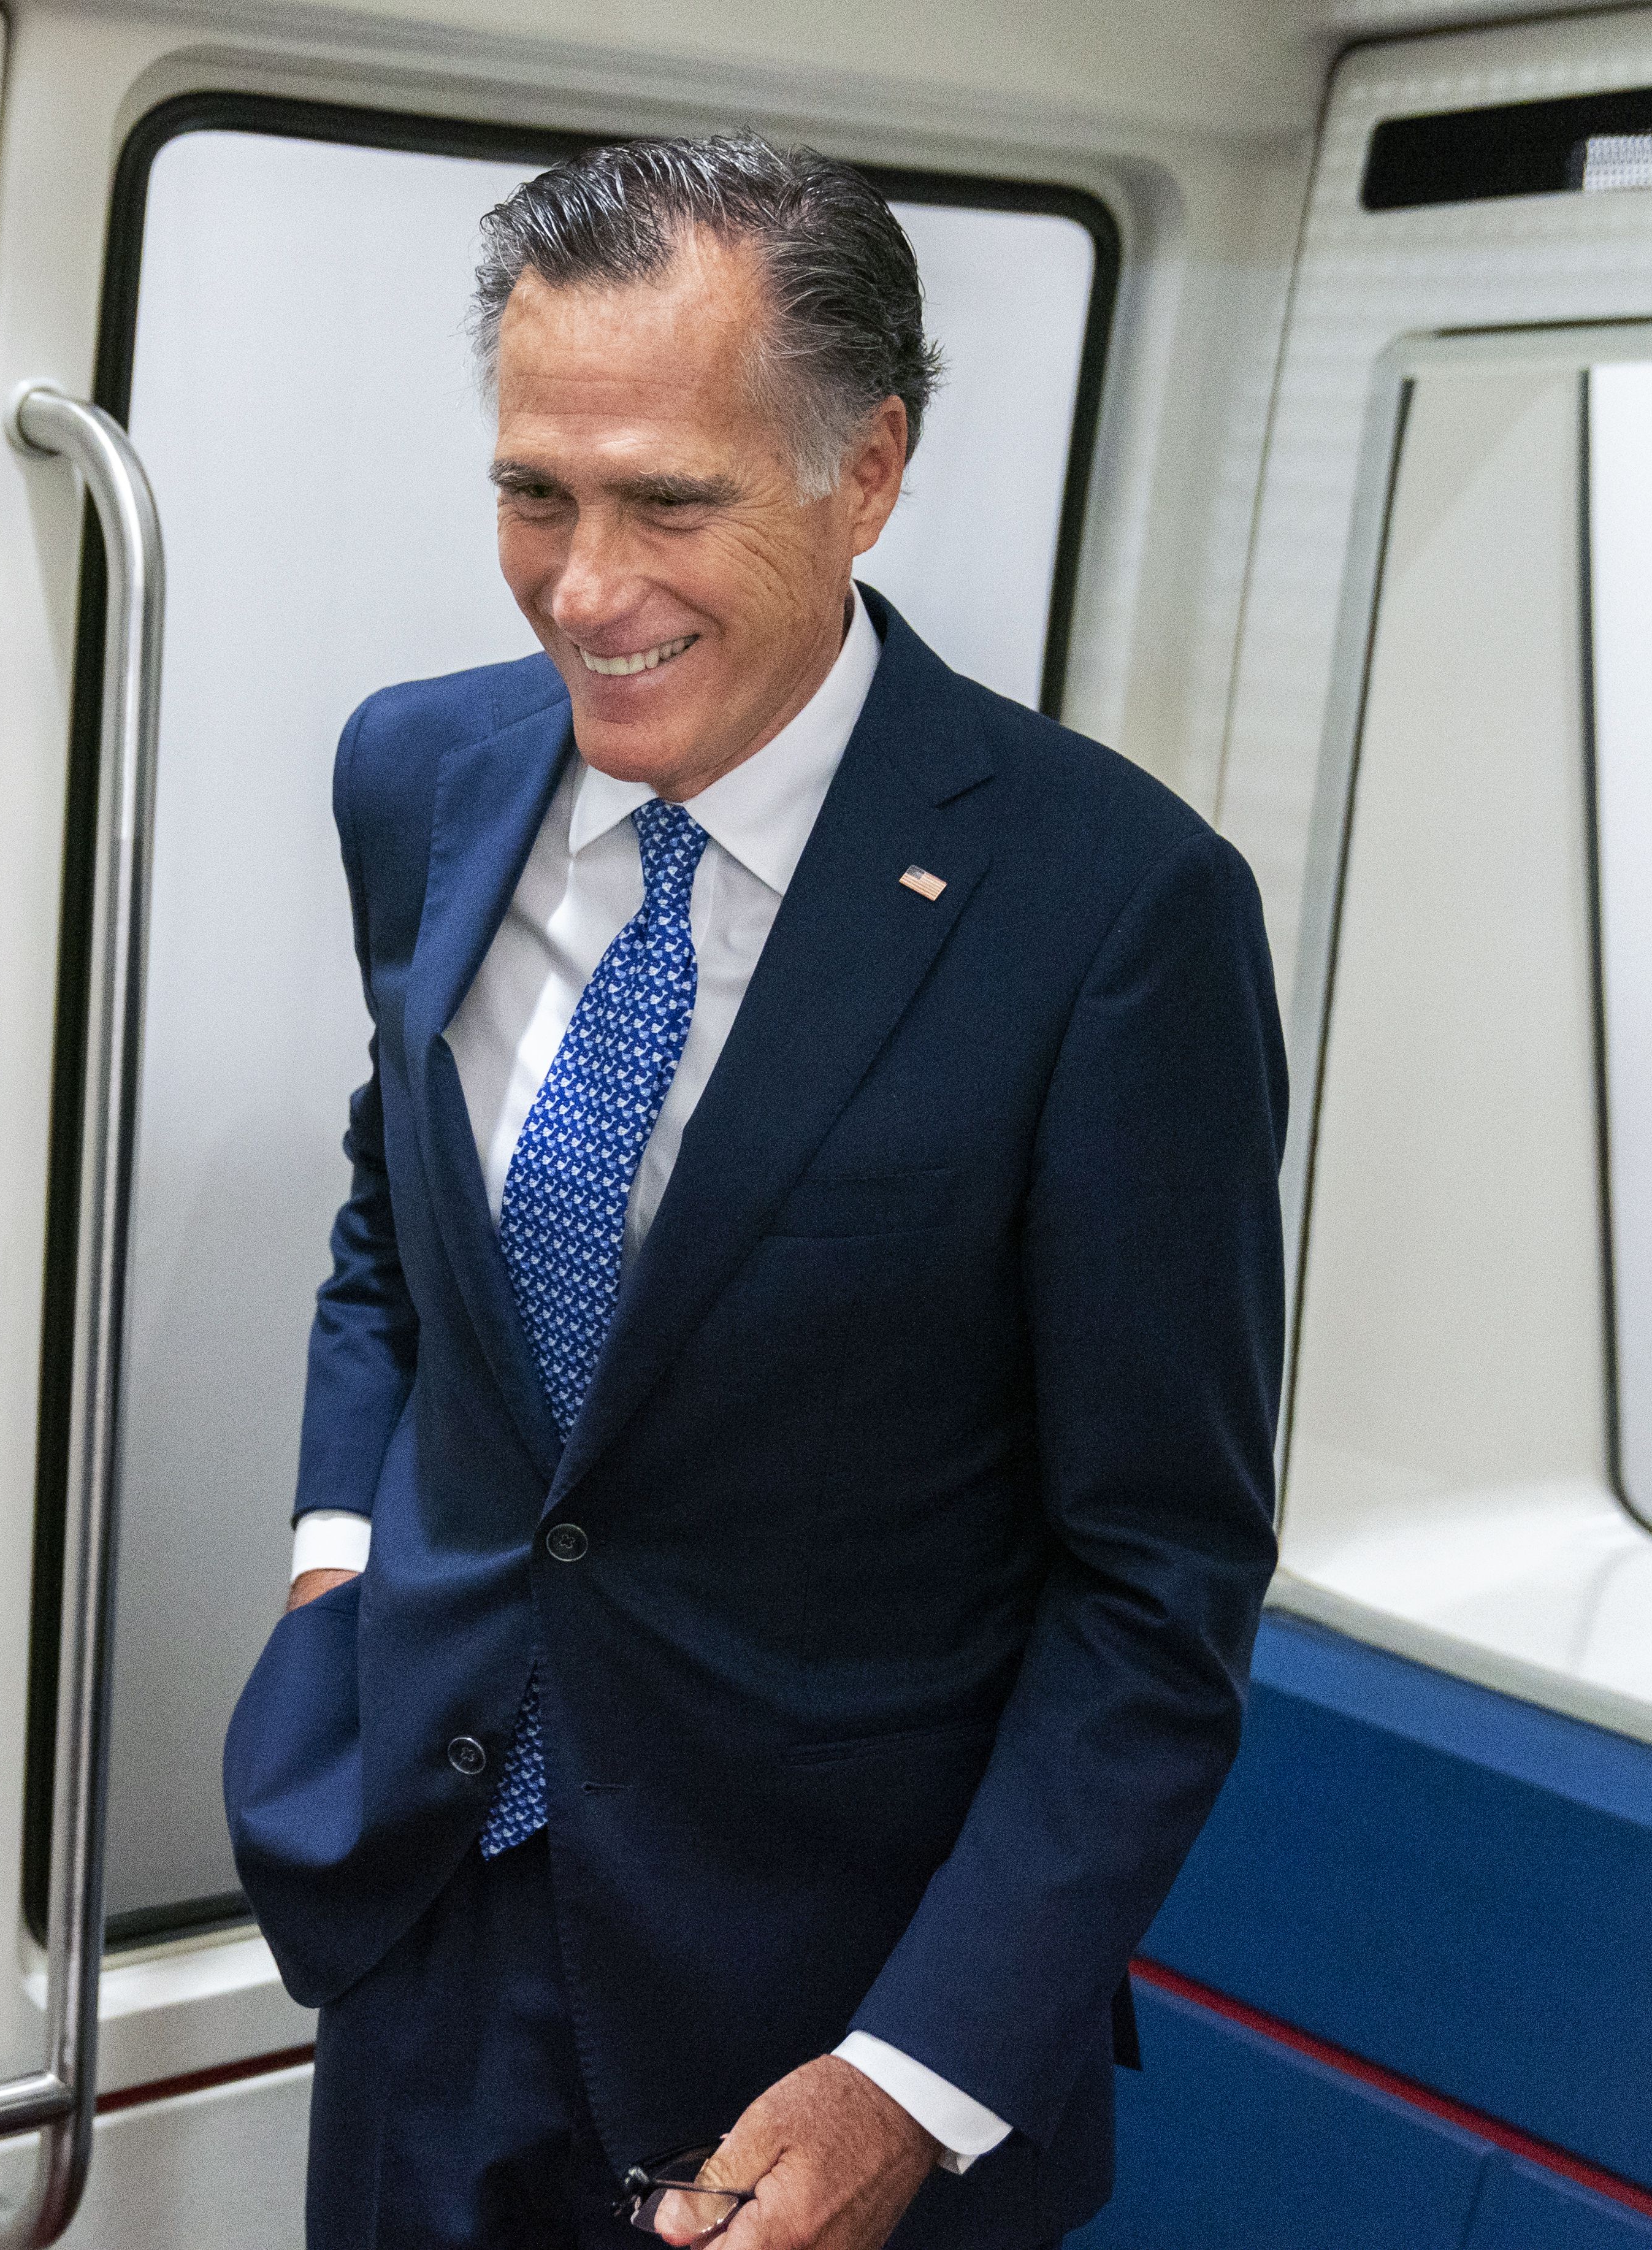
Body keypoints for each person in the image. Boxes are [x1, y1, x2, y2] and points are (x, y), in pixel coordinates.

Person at [221, 134, 1285, 2250]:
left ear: (866, 472)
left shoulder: (1111, 916)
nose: (585, 590)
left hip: (827, 2028)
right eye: (537, 494)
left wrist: (919, 2073)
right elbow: (400, 1220)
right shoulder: (417, 778)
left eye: (670, 503)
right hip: (423, 1928)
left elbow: (1156, 1590)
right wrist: (342, 1552)